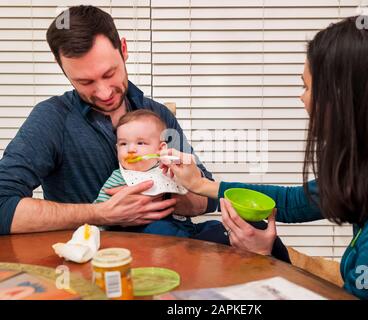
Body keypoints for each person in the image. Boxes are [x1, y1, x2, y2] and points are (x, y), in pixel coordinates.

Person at [160, 16, 368, 299]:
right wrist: (202, 185)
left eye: (307, 87)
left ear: (343, 101)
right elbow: (291, 202)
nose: (302, 99)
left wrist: (262, 258)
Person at [0, 5, 217, 235]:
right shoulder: (51, 118)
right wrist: (100, 213)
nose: (104, 93)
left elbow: (209, 198)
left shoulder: (158, 115)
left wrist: (165, 192)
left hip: (167, 256)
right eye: (85, 82)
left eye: (109, 74)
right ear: (62, 67)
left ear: (123, 49)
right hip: (90, 262)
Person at [94, 109, 221, 238]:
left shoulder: (170, 168)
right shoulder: (118, 177)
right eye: (123, 144)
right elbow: (101, 212)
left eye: (140, 143)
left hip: (184, 226)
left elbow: (198, 189)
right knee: (161, 229)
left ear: (161, 149)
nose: (131, 149)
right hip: (146, 233)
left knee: (217, 227)